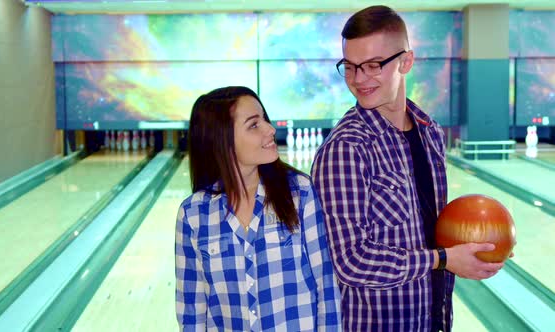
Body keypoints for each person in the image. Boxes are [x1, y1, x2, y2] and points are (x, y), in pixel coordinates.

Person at [310, 6, 505, 332]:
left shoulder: (430, 131)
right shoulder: (346, 148)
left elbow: (432, 229)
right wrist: (443, 259)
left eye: (373, 65)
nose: (359, 79)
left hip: (435, 318)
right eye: (349, 66)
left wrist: (480, 248)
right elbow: (350, 261)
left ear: (406, 62)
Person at [175, 86, 342, 331]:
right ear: (221, 139)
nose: (270, 129)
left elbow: (326, 288)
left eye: (265, 119)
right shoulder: (193, 214)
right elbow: (192, 311)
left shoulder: (301, 193)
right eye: (254, 125)